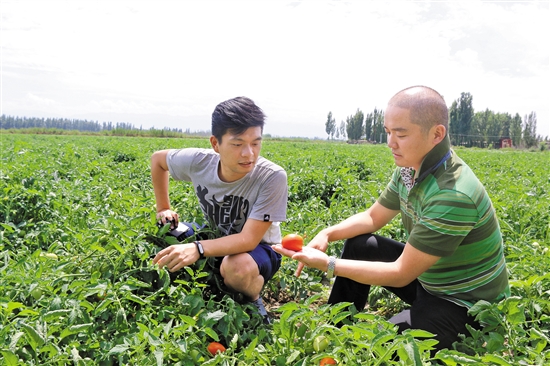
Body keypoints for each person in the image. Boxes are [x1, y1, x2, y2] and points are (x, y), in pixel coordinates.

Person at [273, 86, 510, 351]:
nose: (390, 142)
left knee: (391, 341)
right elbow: (373, 217)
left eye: (401, 134)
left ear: (436, 134)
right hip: (428, 282)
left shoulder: (452, 194)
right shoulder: (410, 170)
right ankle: (334, 329)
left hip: (466, 305)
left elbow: (400, 274)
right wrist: (327, 233)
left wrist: (328, 264)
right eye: (388, 132)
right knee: (360, 245)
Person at [152, 96, 288, 322]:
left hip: (260, 250)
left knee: (236, 266)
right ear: (216, 144)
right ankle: (209, 281)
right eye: (237, 144)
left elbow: (248, 240)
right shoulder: (199, 161)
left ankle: (253, 296)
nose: (249, 154)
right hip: (216, 237)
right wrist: (163, 208)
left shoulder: (271, 177)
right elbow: (158, 160)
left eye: (255, 143)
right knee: (166, 230)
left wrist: (197, 248)